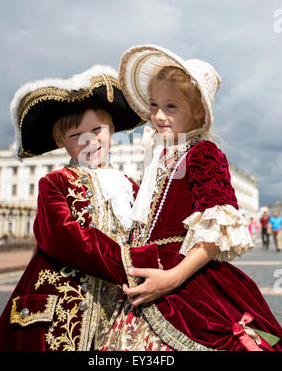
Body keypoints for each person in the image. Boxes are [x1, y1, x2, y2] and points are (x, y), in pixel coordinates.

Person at [98, 45, 282, 351]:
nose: (158, 115)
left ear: (198, 111)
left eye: (171, 106)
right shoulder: (160, 155)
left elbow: (216, 232)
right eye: (154, 105)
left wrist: (172, 278)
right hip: (148, 281)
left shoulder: (203, 154)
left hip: (183, 282)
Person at [0, 65, 161, 351]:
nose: (89, 140)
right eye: (76, 135)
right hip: (63, 308)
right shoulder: (55, 182)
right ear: (59, 142)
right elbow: (63, 237)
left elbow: (149, 227)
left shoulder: (129, 185)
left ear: (112, 129)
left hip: (118, 305)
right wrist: (134, 263)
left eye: (96, 130)